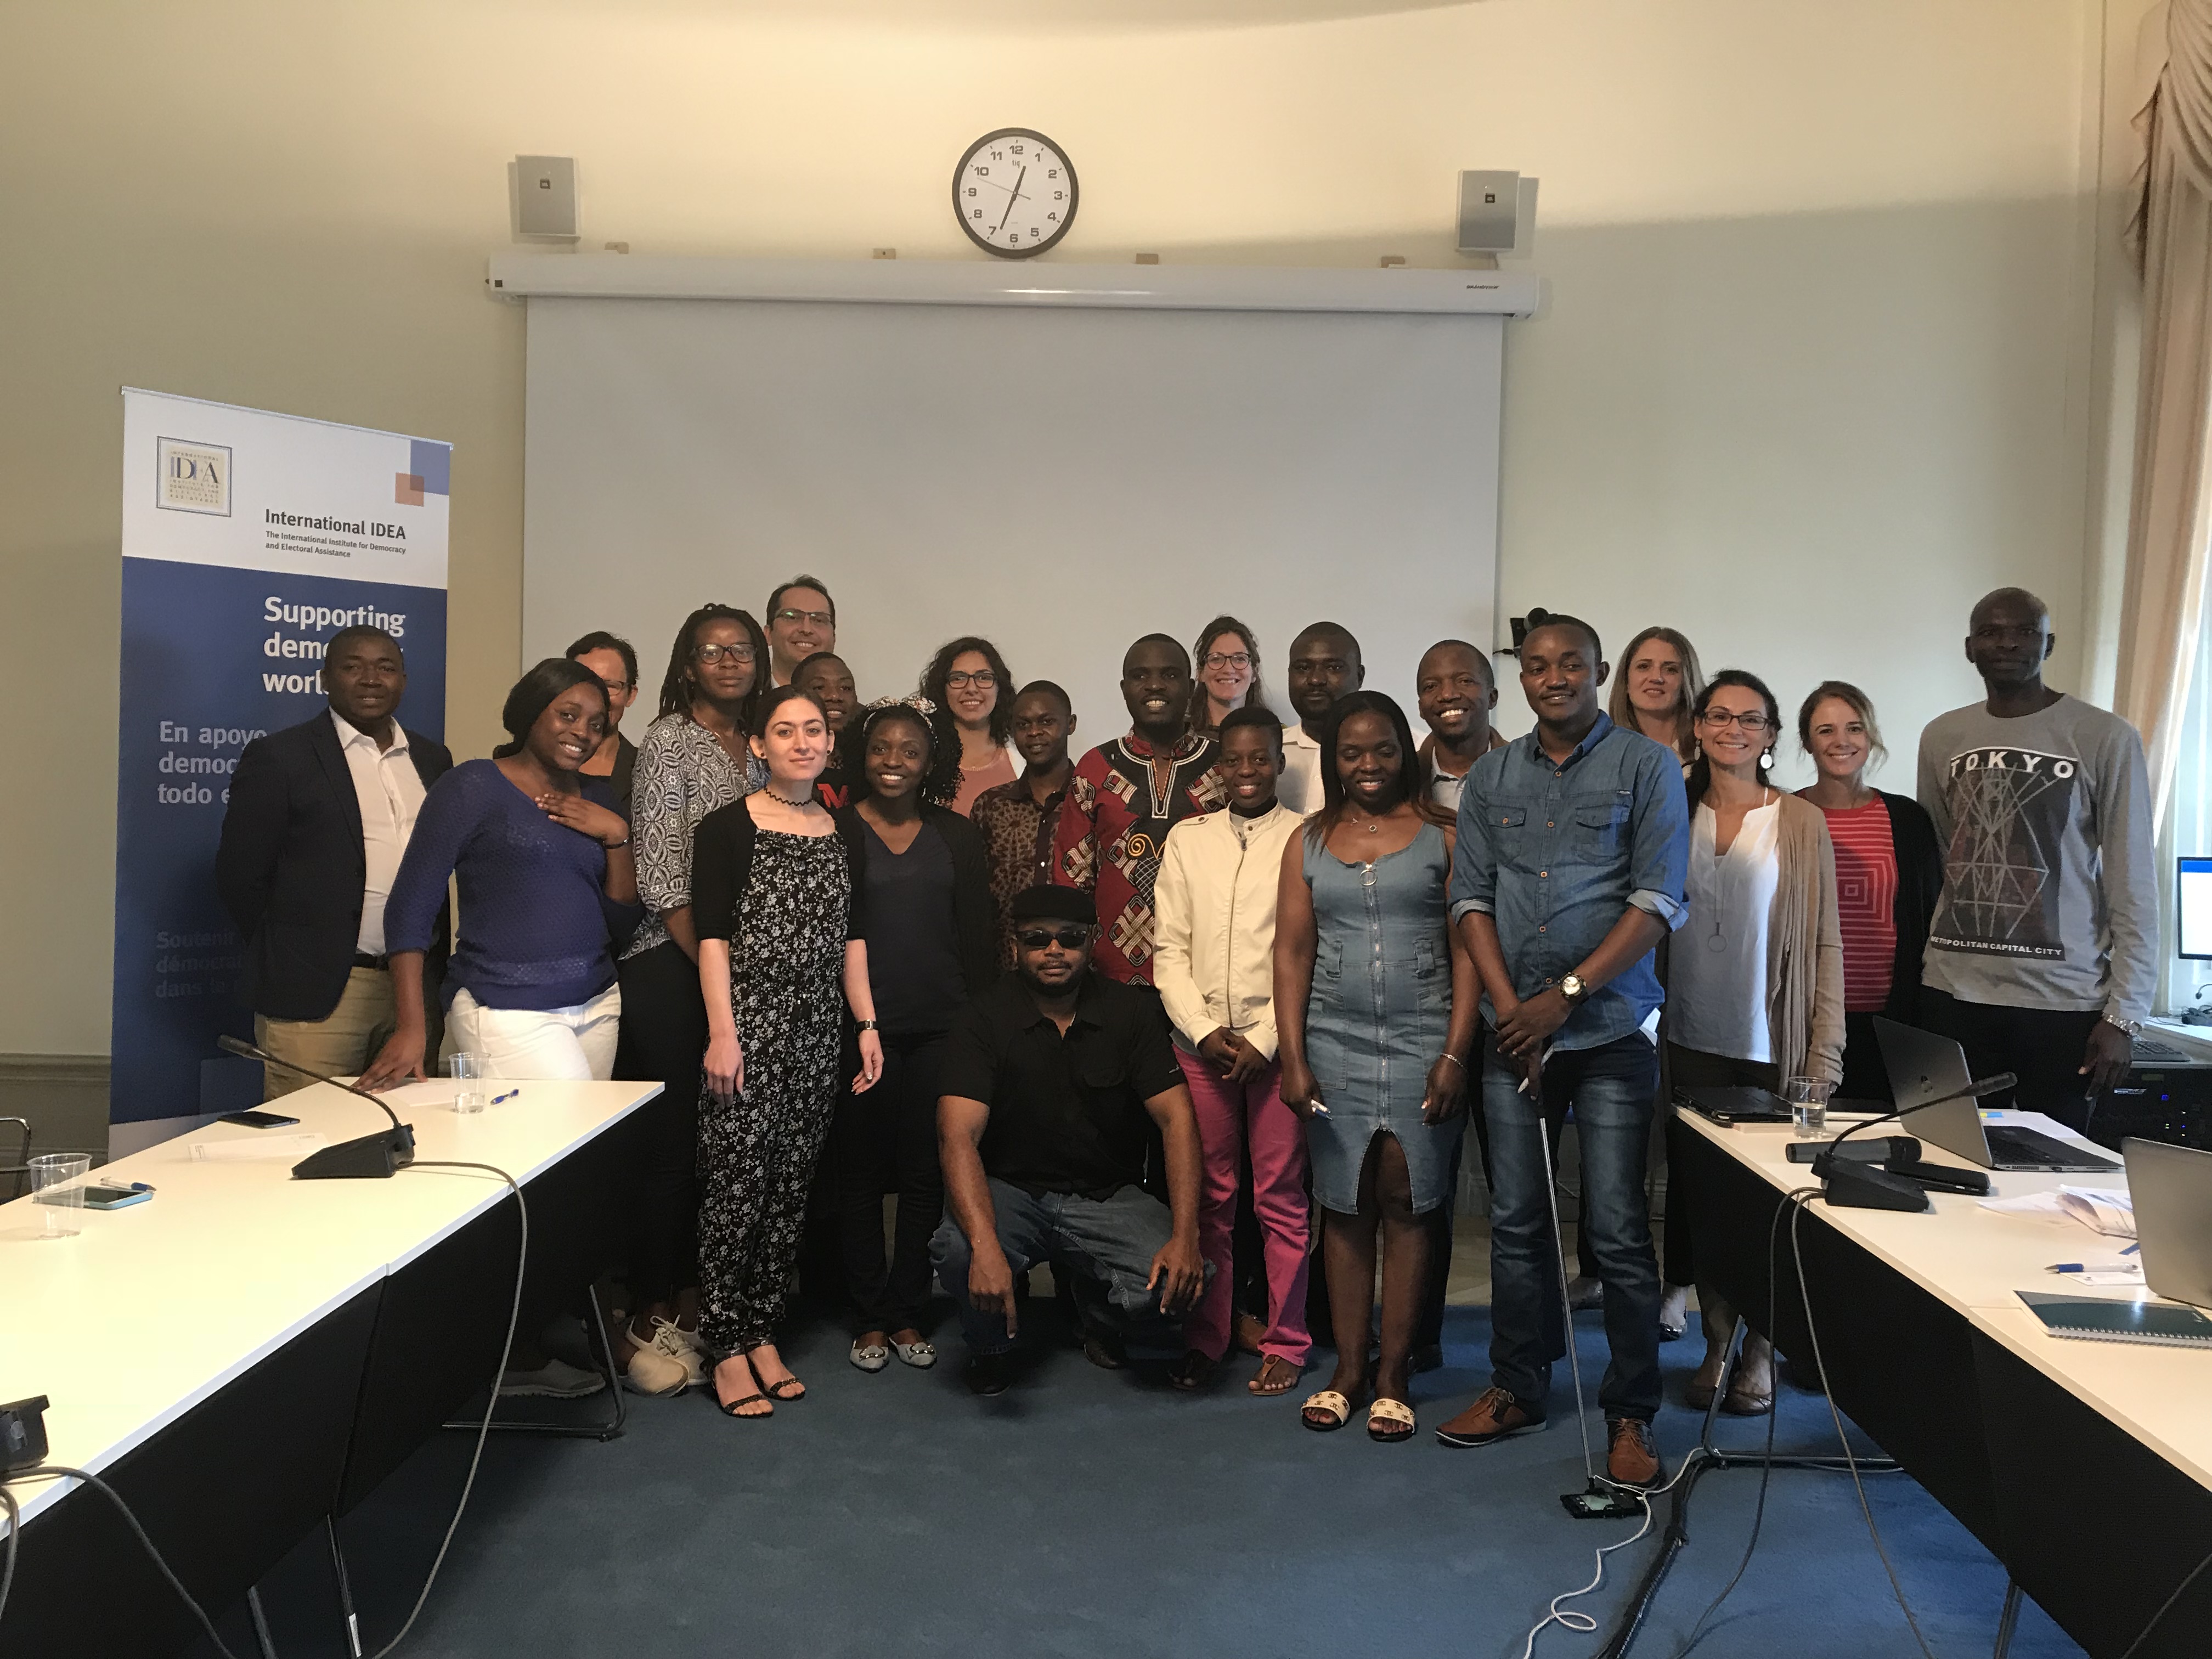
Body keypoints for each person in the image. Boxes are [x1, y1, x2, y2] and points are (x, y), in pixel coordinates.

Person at [1437, 613, 1688, 1489]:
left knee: (1618, 1230)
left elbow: (1657, 900)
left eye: (1570, 665)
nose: (1554, 679)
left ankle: (1632, 1415)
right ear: (1523, 678)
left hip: (1613, 1033)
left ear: (1598, 671)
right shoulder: (1492, 776)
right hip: (1519, 1040)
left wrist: (1564, 1000)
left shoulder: (1647, 767)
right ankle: (1517, 1386)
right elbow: (1470, 900)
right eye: (1537, 667)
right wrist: (1516, 1016)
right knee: (1515, 1224)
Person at [1276, 692, 1475, 1441]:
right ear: (1334, 759)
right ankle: (1349, 1372)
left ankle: (1395, 1374)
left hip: (1426, 1043)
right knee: (1346, 1203)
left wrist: (1456, 1052)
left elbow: (1467, 950)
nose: (1367, 765)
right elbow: (1292, 952)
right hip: (1334, 1044)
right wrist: (1294, 1058)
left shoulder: (1444, 837)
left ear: (1406, 753)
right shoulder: (1310, 841)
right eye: (1351, 752)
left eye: (1383, 750)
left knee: (1408, 1199)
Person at [930, 885, 1209, 1397]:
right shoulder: (982, 1017)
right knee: (959, 1250)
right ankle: (991, 1347)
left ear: (1092, 943)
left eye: (1069, 939)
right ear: (1016, 947)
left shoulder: (1131, 1012)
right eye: (1037, 939)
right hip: (1011, 1193)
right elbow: (957, 1137)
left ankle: (1100, 1314)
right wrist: (987, 1246)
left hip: (1105, 1195)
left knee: (1182, 1276)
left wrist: (1186, 1235)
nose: (1053, 950)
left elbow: (1177, 1120)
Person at [691, 685, 885, 1418]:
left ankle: (763, 1329)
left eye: (814, 730)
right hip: (748, 1032)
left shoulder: (845, 831)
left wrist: (866, 1026)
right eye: (784, 731)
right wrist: (722, 1032)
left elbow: (853, 939)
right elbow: (712, 936)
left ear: (829, 745)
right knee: (736, 1187)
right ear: (760, 746)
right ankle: (725, 1346)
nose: (802, 742)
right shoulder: (726, 828)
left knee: (790, 1189)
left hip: (817, 1035)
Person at [1663, 670, 1844, 1418]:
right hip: (1685, 1040)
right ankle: (1714, 1342)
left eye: (1751, 720)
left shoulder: (1800, 821)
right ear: (1698, 727)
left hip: (1773, 1043)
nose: (1733, 729)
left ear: (1771, 737)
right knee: (1704, 1204)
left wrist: (1824, 1053)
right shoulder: (1671, 810)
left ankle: (1762, 1351)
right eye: (1719, 716)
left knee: (1767, 1208)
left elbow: (1828, 943)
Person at [1917, 588, 2157, 1131]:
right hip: (1954, 995)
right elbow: (1942, 853)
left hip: (2063, 1006)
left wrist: (2126, 1015)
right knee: (1951, 1166)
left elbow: (2132, 880)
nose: (2007, 643)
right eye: (1991, 632)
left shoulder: (2106, 737)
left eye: (2024, 632)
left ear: (2049, 644)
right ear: (1969, 648)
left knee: (2056, 1182)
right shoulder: (1942, 737)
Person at [612, 605, 770, 1397]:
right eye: (712, 651)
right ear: (688, 663)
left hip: (745, 974)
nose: (729, 661)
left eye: (742, 650)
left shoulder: (768, 743)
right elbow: (662, 873)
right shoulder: (671, 740)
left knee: (726, 1152)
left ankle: (699, 1304)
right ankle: (647, 1313)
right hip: (672, 967)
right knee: (674, 1151)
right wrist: (721, 982)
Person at [362, 658, 637, 1088]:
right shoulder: (472, 786)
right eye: (568, 715)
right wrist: (413, 1027)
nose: (583, 732)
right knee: (557, 1136)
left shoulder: (599, 797)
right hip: (506, 1007)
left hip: (598, 1002)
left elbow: (622, 921)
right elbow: (410, 908)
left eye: (596, 724)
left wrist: (617, 835)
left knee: (583, 1149)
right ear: (531, 713)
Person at [217, 625, 453, 1099]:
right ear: (324, 678)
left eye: (385, 668)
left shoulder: (432, 759)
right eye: (352, 666)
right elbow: (240, 876)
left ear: (403, 681)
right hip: (319, 995)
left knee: (404, 1137)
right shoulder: (280, 757)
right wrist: (297, 952)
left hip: (413, 994)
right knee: (309, 1139)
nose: (371, 679)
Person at [834, 702, 999, 1375]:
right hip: (862, 1030)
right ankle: (869, 1315)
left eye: (909, 751)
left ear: (931, 762)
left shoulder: (956, 835)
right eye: (881, 748)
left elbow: (978, 939)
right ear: (862, 754)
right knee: (861, 1172)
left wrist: (981, 1028)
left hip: (942, 1027)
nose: (893, 761)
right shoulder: (837, 830)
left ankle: (907, 1310)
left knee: (925, 1170)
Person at [1153, 706, 1312, 1396]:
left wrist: (1268, 1038)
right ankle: (1207, 1336)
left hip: (1278, 1048)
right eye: (1234, 760)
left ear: (1279, 762)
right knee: (1211, 1199)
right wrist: (1203, 1031)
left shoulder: (1305, 838)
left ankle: (1287, 1340)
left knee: (1280, 1198)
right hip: (1203, 1047)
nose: (1246, 771)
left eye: (1260, 759)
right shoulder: (1189, 840)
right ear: (1218, 767)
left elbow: (1309, 952)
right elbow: (1168, 950)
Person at [1410, 637, 1511, 1359]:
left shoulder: (1529, 775)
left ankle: (1520, 1346)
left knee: (1514, 1197)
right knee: (1426, 1190)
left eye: (1465, 680)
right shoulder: (1394, 779)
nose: (1450, 692)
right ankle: (1418, 1340)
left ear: (1491, 693)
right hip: (1425, 1010)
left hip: (1511, 1007)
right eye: (1434, 682)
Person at [1796, 681, 1944, 1101]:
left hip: (1889, 1021)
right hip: (1805, 1023)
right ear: (1807, 742)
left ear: (1871, 737)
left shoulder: (1907, 819)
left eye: (1854, 728)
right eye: (1825, 730)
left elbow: (1929, 916)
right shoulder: (1786, 815)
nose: (1841, 741)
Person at [1053, 636, 1226, 988]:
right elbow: (1071, 879)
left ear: (1192, 687)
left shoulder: (1225, 764)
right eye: (1139, 676)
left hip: (1210, 973)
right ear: (1124, 688)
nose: (1154, 685)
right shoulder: (1096, 767)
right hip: (1112, 978)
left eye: (1170, 675)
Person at [972, 681, 1080, 967]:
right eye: (1023, 724)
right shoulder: (991, 806)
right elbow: (977, 899)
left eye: (1047, 722)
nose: (1034, 733)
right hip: (1007, 970)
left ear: (1070, 724)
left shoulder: (1092, 800)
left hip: (1081, 968)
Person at [922, 636, 1019, 815]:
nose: (971, 688)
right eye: (958, 678)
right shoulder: (923, 760)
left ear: (1000, 687)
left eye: (983, 677)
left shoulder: (1023, 760)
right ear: (942, 689)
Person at [1278, 622, 1365, 815]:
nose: (1316, 679)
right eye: (1303, 668)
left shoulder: (1407, 750)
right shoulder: (1267, 755)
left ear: (1360, 677)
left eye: (1333, 667)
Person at [1417, 639, 1505, 816]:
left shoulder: (1528, 774)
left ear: (1492, 697)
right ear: (1421, 709)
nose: (1448, 695)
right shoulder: (1402, 782)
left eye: (1465, 681)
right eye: (1431, 686)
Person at [566, 630, 641, 815]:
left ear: (630, 695)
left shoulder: (649, 769)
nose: (598, 697)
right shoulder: (539, 762)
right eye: (585, 683)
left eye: (610, 686)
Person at [1607, 625, 1706, 766]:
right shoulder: (1602, 750)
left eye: (1670, 669)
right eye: (1644, 667)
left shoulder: (1710, 748)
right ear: (1626, 680)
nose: (1656, 678)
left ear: (1687, 681)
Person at [794, 651, 861, 810]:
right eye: (819, 687)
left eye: (846, 688)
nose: (835, 696)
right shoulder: (783, 758)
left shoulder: (867, 756)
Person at [1189, 616, 1263, 738]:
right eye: (1216, 659)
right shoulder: (1180, 737)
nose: (1228, 669)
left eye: (1240, 659)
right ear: (1200, 672)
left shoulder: (1275, 736)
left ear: (1255, 672)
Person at [764, 574, 837, 686]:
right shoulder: (745, 702)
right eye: (793, 617)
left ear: (834, 637)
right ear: (768, 634)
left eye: (819, 620)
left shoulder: (846, 703)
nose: (806, 629)